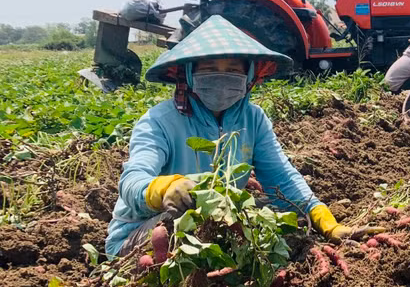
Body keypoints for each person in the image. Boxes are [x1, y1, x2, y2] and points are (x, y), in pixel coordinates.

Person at [105, 15, 382, 257]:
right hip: (144, 229)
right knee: (175, 222)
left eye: (234, 70)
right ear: (189, 73)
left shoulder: (253, 119)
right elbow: (132, 181)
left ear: (250, 76)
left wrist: (322, 218)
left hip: (214, 225)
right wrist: (163, 189)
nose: (222, 77)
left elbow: (281, 177)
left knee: (267, 216)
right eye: (210, 68)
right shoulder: (160, 121)